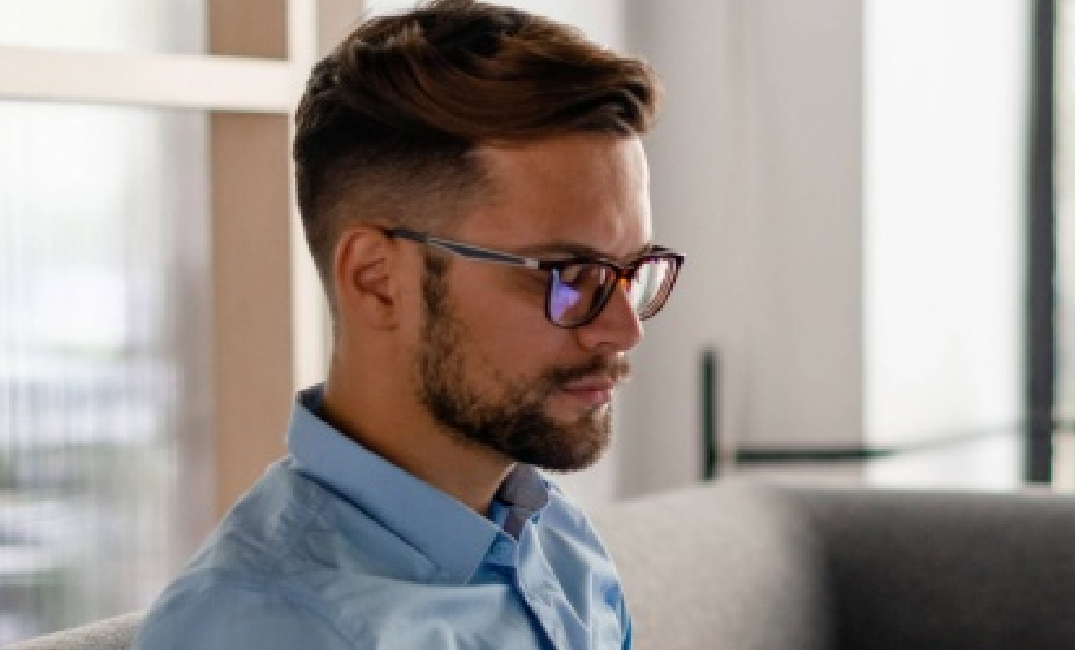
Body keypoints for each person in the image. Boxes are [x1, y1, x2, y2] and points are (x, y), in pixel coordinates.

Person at [134, 2, 676, 648]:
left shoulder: (557, 542)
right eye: (570, 273)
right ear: (376, 280)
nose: (623, 329)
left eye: (631, 271)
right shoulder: (266, 628)